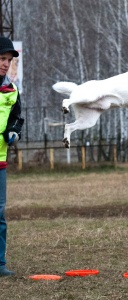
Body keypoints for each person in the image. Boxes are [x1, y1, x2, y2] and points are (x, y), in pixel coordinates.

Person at [0, 36, 24, 276]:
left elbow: (17, 118)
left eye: (8, 60)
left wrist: (13, 132)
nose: (6, 64)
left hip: (0, 163)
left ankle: (0, 265)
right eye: (2, 58)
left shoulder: (12, 90)